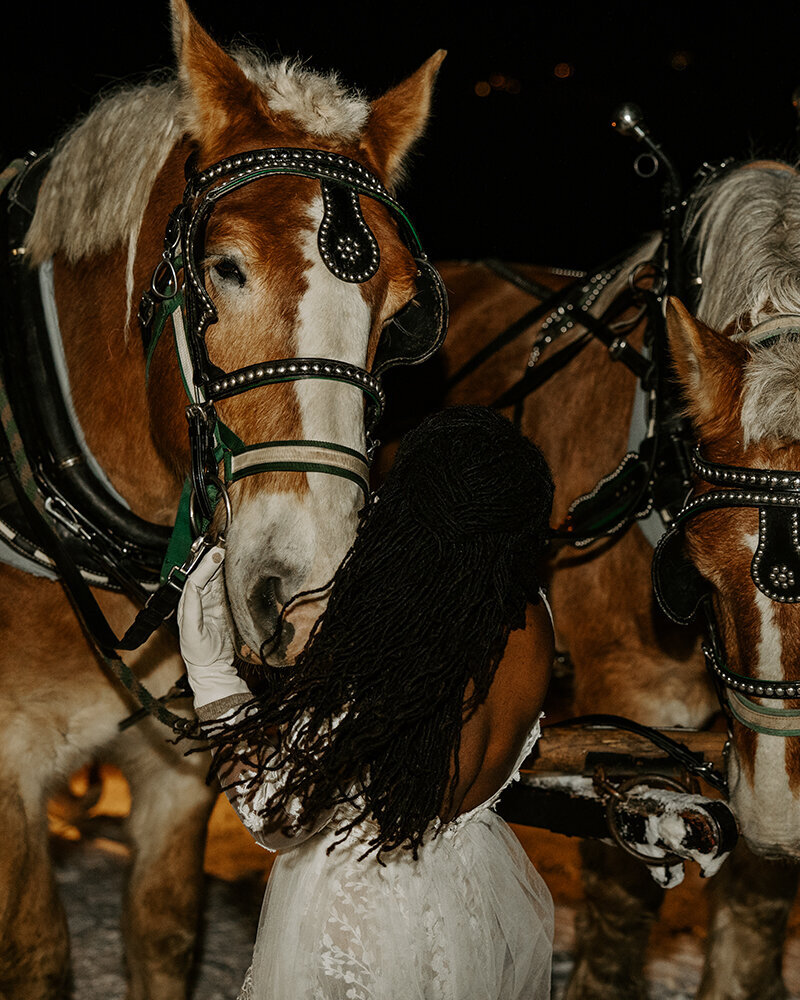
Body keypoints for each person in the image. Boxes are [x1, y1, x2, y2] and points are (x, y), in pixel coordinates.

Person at [178, 404, 556, 1000]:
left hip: (357, 932)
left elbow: (277, 813)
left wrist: (210, 675)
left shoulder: (396, 648)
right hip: (466, 906)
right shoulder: (532, 619)